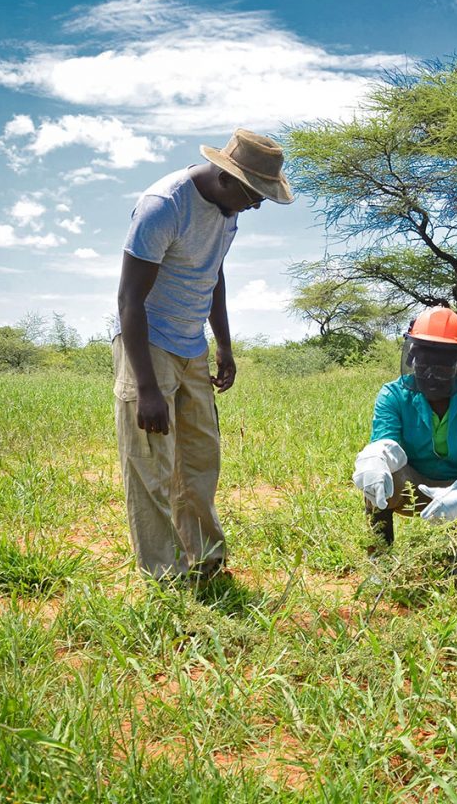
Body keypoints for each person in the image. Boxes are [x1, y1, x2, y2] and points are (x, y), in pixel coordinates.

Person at [113, 129, 294, 581]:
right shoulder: (164, 205)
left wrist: (224, 344)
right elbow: (129, 302)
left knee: (199, 458)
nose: (257, 205)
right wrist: (148, 388)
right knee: (151, 463)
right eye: (255, 195)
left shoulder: (228, 209)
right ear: (226, 178)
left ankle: (206, 561)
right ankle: (164, 574)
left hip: (192, 343)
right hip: (148, 343)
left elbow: (214, 274)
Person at [352, 306, 457, 569]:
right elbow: (386, 444)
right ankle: (380, 560)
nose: (431, 374)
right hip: (411, 487)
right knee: (377, 479)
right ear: (412, 359)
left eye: (443, 366)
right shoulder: (393, 394)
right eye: (424, 363)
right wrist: (374, 460)